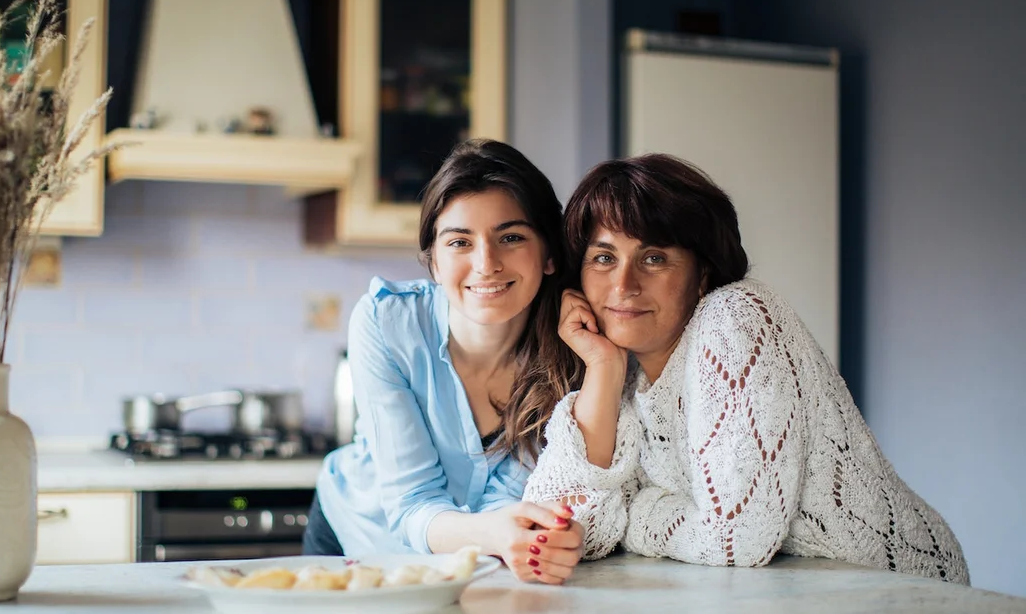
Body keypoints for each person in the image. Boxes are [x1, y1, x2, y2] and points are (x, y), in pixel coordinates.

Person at [524, 153, 969, 585]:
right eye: (604, 258)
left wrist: (637, 513)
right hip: (796, 601)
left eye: (654, 258)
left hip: (901, 588)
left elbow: (737, 540)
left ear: (702, 274)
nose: (624, 285)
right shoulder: (625, 373)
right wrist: (602, 369)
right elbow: (554, 528)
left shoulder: (736, 317)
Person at [306, 139, 584, 585]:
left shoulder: (573, 351)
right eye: (460, 242)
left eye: (510, 237)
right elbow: (412, 501)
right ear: (432, 261)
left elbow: (514, 505)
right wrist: (496, 532)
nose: (485, 263)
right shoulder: (387, 322)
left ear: (549, 254)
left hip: (479, 561)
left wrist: (512, 533)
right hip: (358, 537)